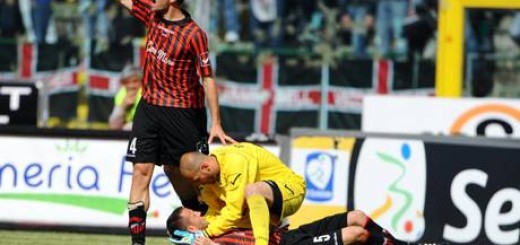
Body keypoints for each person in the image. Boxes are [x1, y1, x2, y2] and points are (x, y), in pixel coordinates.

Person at [117, 0, 236, 244]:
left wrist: (216, 123)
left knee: (184, 175)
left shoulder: (194, 34)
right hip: (149, 107)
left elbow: (208, 78)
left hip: (183, 113)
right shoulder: (152, 14)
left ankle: (218, 232)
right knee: (140, 171)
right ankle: (137, 243)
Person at [180, 142, 306, 245]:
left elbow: (234, 212)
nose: (197, 185)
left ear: (206, 167)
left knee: (251, 191)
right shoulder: (209, 177)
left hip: (290, 190)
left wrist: (207, 233)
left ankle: (262, 243)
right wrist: (198, 233)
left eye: (197, 179)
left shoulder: (235, 162)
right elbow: (215, 211)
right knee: (226, 226)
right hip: (261, 204)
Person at [166, 206, 414, 245]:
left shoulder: (219, 222)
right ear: (190, 229)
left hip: (288, 234)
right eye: (193, 214)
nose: (199, 212)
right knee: (357, 235)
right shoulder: (207, 243)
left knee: (357, 216)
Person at [108, 64, 142, 131]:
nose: (131, 86)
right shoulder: (121, 94)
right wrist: (123, 106)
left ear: (141, 81)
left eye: (135, 81)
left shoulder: (147, 93)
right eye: (127, 82)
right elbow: (113, 126)